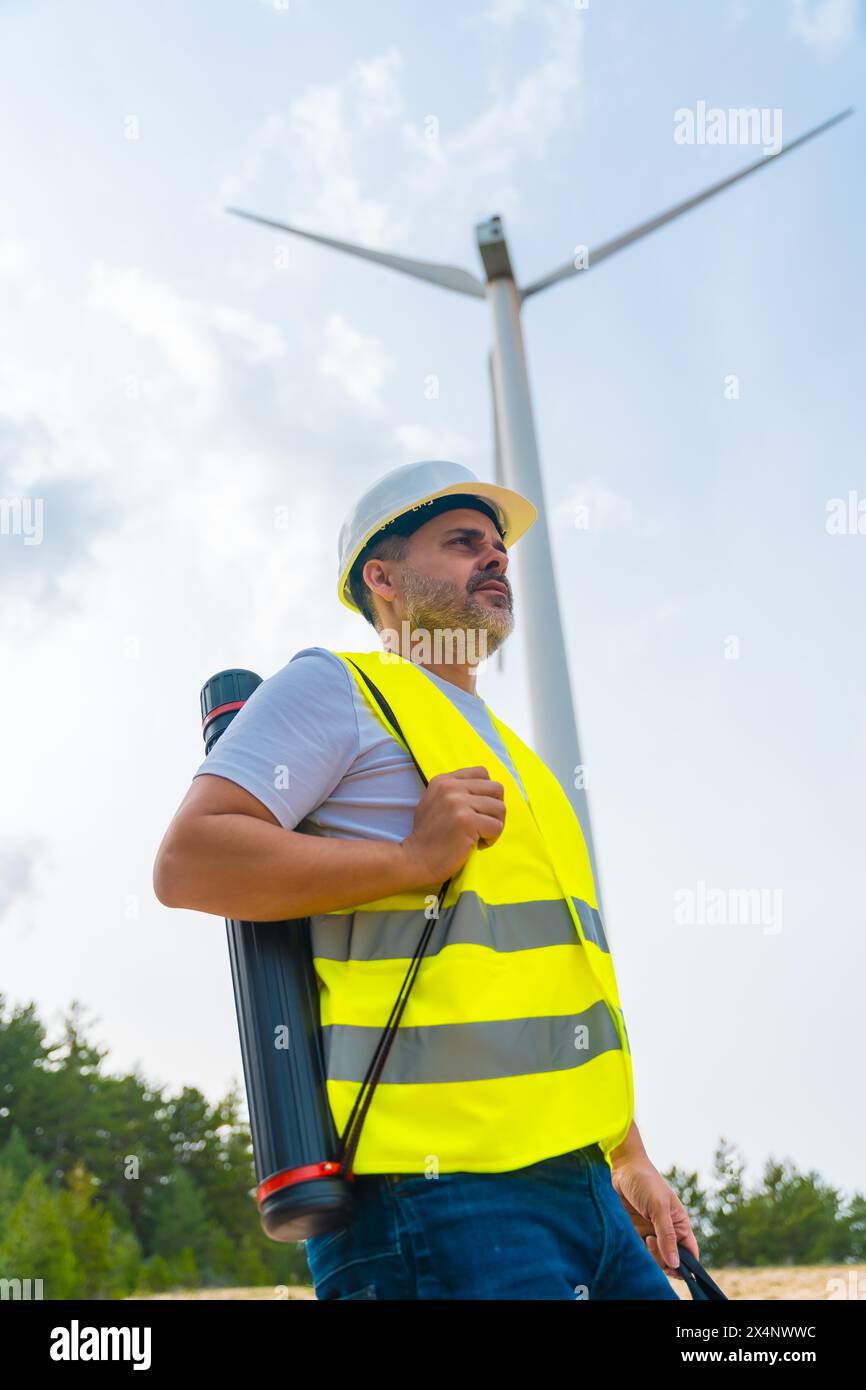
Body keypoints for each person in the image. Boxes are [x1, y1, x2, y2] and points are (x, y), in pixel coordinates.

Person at [153, 458, 698, 1300]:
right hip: (437, 1199)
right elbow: (190, 860)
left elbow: (558, 982)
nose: (495, 559)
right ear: (384, 577)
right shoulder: (338, 688)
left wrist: (628, 1157)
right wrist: (410, 863)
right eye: (462, 542)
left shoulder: (523, 762)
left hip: (585, 1190)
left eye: (499, 548)